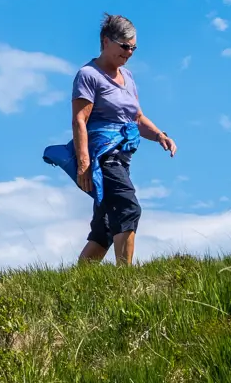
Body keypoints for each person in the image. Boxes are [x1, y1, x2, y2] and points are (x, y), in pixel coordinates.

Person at [43, 14, 177, 266]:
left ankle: (77, 285)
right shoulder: (88, 75)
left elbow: (136, 117)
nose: (129, 52)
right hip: (103, 156)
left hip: (123, 155)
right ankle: (124, 279)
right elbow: (79, 120)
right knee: (128, 209)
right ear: (106, 41)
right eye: (124, 46)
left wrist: (160, 135)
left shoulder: (128, 77)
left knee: (105, 228)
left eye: (133, 47)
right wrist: (83, 163)